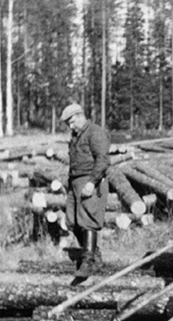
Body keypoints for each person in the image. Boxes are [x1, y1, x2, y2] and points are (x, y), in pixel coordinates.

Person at [61, 103, 110, 284]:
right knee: (71, 221)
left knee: (88, 219)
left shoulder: (95, 132)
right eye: (68, 124)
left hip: (90, 180)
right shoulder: (76, 136)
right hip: (75, 181)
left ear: (81, 116)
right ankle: (95, 256)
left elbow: (102, 159)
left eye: (72, 122)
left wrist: (92, 182)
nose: (71, 126)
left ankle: (87, 262)